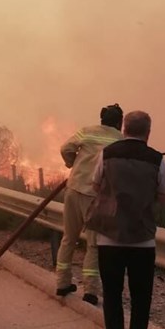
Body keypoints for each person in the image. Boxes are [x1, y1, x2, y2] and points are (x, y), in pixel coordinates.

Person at [85, 110, 165, 329]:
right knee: (141, 296)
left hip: (109, 238)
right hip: (143, 241)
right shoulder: (158, 160)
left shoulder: (107, 154)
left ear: (123, 129)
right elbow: (164, 197)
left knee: (112, 295)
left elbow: (95, 185)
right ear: (148, 132)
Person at [56, 104, 124, 305]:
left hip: (73, 189)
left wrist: (72, 163)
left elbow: (65, 148)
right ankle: (91, 291)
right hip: (95, 196)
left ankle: (61, 283)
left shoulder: (86, 131)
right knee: (93, 244)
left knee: (68, 238)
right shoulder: (119, 139)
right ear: (119, 122)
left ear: (101, 119)